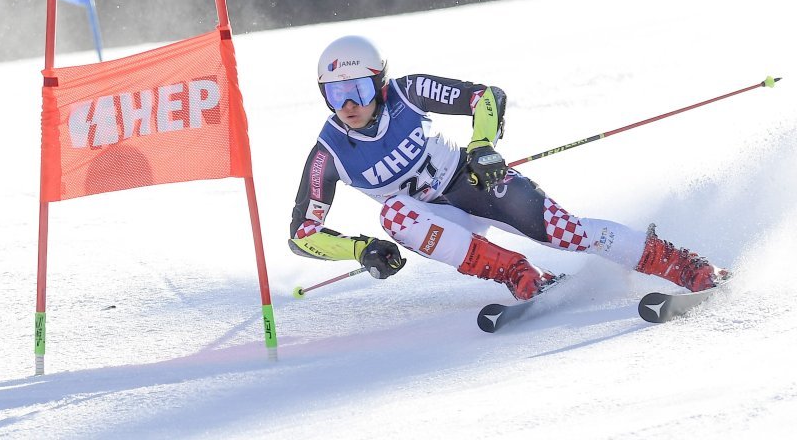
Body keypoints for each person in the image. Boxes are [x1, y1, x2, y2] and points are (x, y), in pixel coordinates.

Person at [288, 35, 730, 300]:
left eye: (359, 89)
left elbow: (486, 97)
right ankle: (518, 274)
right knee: (393, 213)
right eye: (335, 93)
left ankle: (676, 263)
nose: (348, 105)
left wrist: (483, 146)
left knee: (566, 231)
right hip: (434, 221)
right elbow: (303, 236)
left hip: (473, 181)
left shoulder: (408, 92)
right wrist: (361, 250)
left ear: (379, 85)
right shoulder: (328, 154)